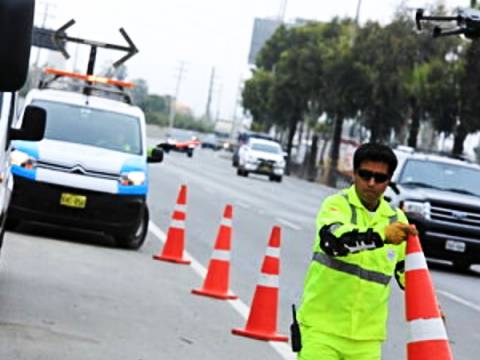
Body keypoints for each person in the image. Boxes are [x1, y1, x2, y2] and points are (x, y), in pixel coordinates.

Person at [296, 143, 417, 360]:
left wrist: (430, 305)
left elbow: (407, 272)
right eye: (365, 175)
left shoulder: (397, 220)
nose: (371, 183)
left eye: (380, 178)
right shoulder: (335, 206)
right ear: (354, 173)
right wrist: (381, 236)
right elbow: (334, 242)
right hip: (321, 330)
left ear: (389, 181)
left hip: (367, 340)